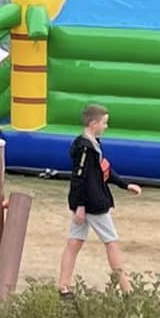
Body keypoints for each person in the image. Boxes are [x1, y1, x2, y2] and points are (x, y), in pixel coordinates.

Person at [62, 102, 141, 295]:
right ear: (94, 123)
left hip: (90, 199)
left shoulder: (95, 144)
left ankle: (63, 285)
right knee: (111, 242)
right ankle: (126, 288)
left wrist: (125, 184)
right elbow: (79, 177)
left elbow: (104, 170)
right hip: (92, 203)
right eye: (104, 123)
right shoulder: (85, 147)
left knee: (74, 242)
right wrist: (80, 205)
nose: (106, 127)